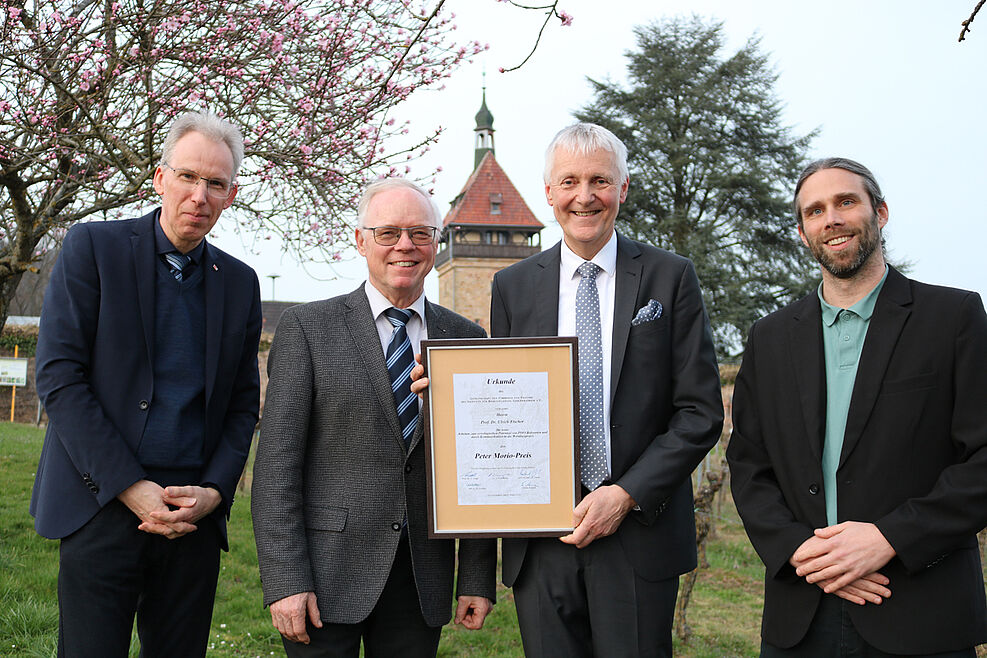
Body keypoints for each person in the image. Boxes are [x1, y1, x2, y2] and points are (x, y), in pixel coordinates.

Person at [727, 157, 987, 656]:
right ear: (803, 232)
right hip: (801, 611)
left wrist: (890, 538)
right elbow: (748, 465)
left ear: (880, 212)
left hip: (919, 607)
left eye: (846, 202)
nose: (832, 219)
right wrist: (804, 552)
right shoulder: (769, 337)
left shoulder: (953, 317)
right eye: (815, 210)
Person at [31, 111, 262, 656]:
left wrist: (214, 492)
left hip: (191, 518)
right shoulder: (93, 248)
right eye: (187, 176)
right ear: (160, 178)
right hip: (100, 504)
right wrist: (129, 487)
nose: (199, 196)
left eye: (215, 183)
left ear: (231, 195)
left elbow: (241, 405)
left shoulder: (240, 283)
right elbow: (60, 377)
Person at [488, 123, 723, 656]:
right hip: (541, 538)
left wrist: (626, 494)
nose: (585, 196)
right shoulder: (512, 286)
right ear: (549, 193)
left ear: (623, 188)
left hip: (639, 532)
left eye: (600, 180)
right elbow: (503, 401)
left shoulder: (671, 277)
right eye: (569, 181)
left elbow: (700, 411)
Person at [251, 178, 496, 657]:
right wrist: (285, 580)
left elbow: (480, 467)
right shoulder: (308, 329)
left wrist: (475, 576)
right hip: (324, 576)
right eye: (388, 233)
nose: (405, 245)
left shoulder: (466, 338)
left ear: (436, 243)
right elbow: (276, 468)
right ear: (361, 241)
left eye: (420, 233)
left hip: (422, 576)